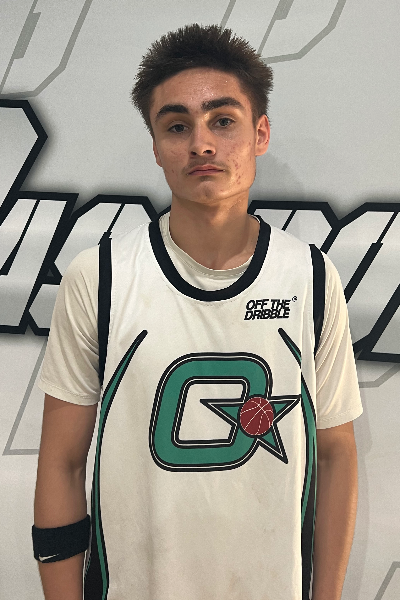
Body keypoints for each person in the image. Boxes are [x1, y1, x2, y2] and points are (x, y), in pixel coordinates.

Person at [33, 24, 362, 600]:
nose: (201, 144)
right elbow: (61, 463)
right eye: (177, 125)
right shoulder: (100, 277)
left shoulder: (310, 276)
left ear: (260, 133)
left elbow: (336, 453)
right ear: (156, 146)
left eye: (223, 120)